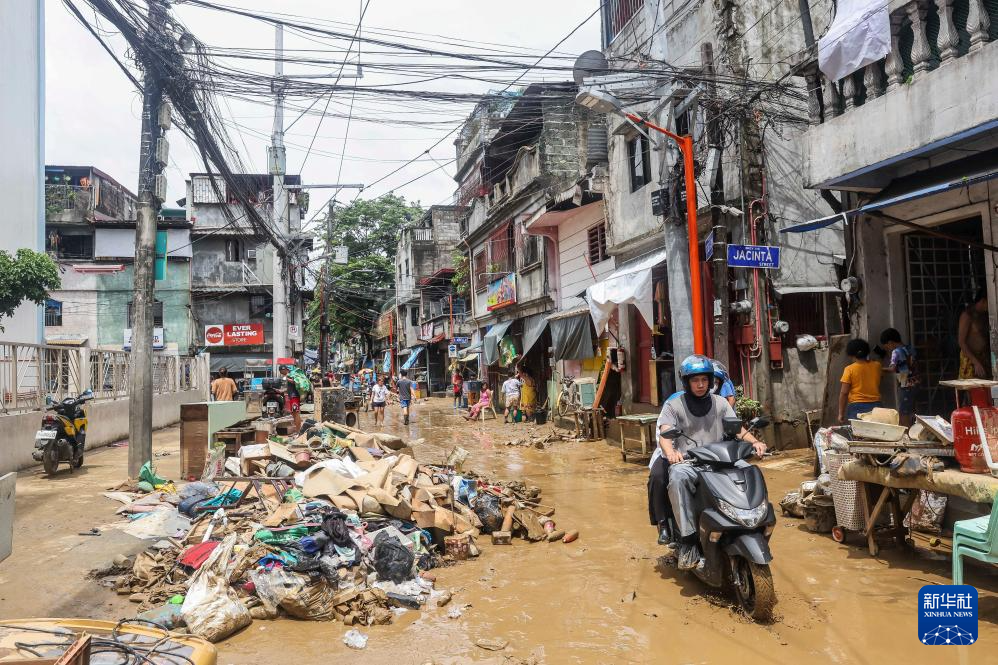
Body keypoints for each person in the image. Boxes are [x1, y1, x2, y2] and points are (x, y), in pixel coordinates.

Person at [652, 354, 766, 569]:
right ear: (687, 382)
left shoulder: (721, 403)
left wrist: (755, 442)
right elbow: (665, 433)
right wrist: (671, 453)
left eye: (705, 380)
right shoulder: (674, 405)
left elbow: (737, 428)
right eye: (695, 380)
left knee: (750, 470)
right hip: (689, 463)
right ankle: (687, 542)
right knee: (676, 478)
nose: (701, 385)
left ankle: (755, 523)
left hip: (721, 461)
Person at [837, 338, 882, 423]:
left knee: (858, 435)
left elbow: (844, 393)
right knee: (876, 434)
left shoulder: (849, 369)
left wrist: (841, 413)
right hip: (877, 406)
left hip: (857, 407)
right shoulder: (877, 366)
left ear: (851, 354)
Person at [880, 328, 918, 426]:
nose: (888, 349)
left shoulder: (896, 352)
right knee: (912, 411)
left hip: (905, 385)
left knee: (903, 413)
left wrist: (878, 369)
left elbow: (892, 369)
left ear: (890, 342)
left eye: (887, 347)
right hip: (916, 382)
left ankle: (907, 435)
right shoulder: (910, 348)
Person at [959, 289, 991, 379]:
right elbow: (961, 342)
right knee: (972, 388)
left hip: (984, 358)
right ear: (983, 301)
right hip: (970, 359)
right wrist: (975, 362)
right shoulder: (967, 315)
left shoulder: (984, 315)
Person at [279, 364, 302, 431]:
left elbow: (296, 382)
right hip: (292, 397)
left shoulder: (290, 375)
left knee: (296, 412)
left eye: (281, 371)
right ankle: (297, 430)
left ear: (284, 370)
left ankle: (298, 431)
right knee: (294, 413)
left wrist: (287, 378)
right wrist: (281, 390)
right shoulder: (289, 375)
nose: (281, 373)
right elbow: (290, 388)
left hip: (294, 396)